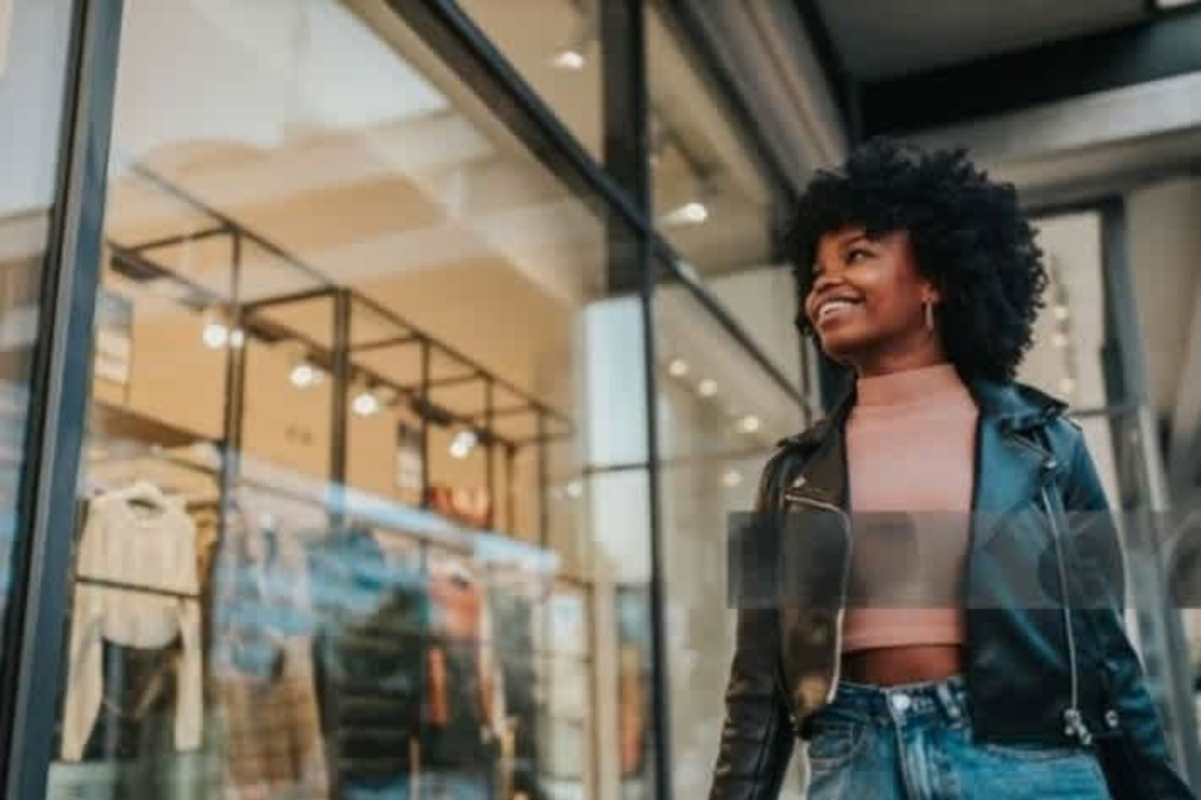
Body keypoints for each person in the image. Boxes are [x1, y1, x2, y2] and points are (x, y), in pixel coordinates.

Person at [708, 138, 1194, 799]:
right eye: (816, 268)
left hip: (1024, 758)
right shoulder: (790, 475)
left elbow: (1105, 649)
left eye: (856, 255)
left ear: (933, 278)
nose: (824, 280)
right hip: (854, 760)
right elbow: (759, 686)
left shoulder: (1045, 446)